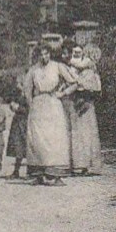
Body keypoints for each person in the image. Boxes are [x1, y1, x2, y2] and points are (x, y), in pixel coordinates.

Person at [22, 42, 72, 186]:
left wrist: (62, 93)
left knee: (54, 138)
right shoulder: (33, 70)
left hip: (53, 104)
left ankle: (54, 174)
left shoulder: (57, 66)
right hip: (38, 106)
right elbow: (27, 88)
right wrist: (31, 103)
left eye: (46, 53)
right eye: (41, 54)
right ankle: (38, 173)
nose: (44, 57)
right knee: (37, 139)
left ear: (50, 54)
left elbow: (73, 82)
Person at [66, 43, 104, 175]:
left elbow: (83, 86)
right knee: (86, 133)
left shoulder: (88, 71)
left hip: (85, 104)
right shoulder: (90, 71)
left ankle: (84, 164)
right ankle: (84, 163)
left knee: (84, 133)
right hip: (86, 104)